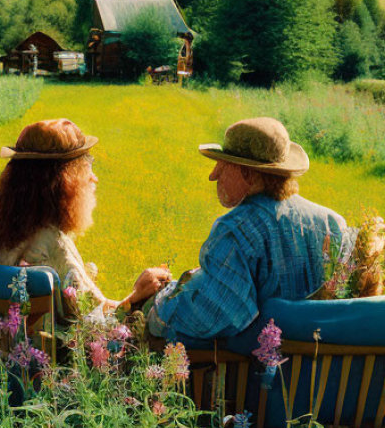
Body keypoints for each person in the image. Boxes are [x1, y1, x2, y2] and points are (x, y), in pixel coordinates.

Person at [147, 117, 352, 341]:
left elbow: (205, 319)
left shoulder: (235, 231)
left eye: (224, 165)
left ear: (249, 174)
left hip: (254, 371)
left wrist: (160, 299)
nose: (213, 175)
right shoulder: (333, 224)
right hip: (315, 369)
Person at [0, 118, 170, 313]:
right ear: (65, 180)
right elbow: (97, 323)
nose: (93, 177)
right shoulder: (52, 244)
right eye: (85, 166)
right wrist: (138, 293)